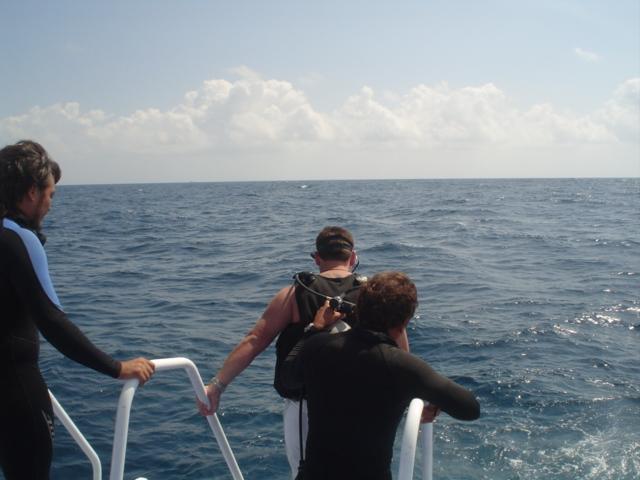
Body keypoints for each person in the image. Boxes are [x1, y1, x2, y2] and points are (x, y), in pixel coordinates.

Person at [0, 140, 156, 480]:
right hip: (15, 390)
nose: (51, 206)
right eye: (50, 195)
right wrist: (116, 368)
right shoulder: (18, 239)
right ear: (30, 193)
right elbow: (51, 321)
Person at [198, 226, 380, 477]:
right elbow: (399, 349)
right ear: (353, 257)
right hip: (364, 403)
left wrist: (217, 385)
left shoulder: (294, 294)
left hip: (306, 406)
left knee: (305, 472)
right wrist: (420, 397)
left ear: (317, 258)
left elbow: (255, 339)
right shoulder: (376, 296)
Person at [284, 271, 481, 480]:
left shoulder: (318, 346)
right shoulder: (403, 367)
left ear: (359, 308)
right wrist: (437, 402)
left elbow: (288, 378)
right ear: (405, 321)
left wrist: (315, 328)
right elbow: (469, 408)